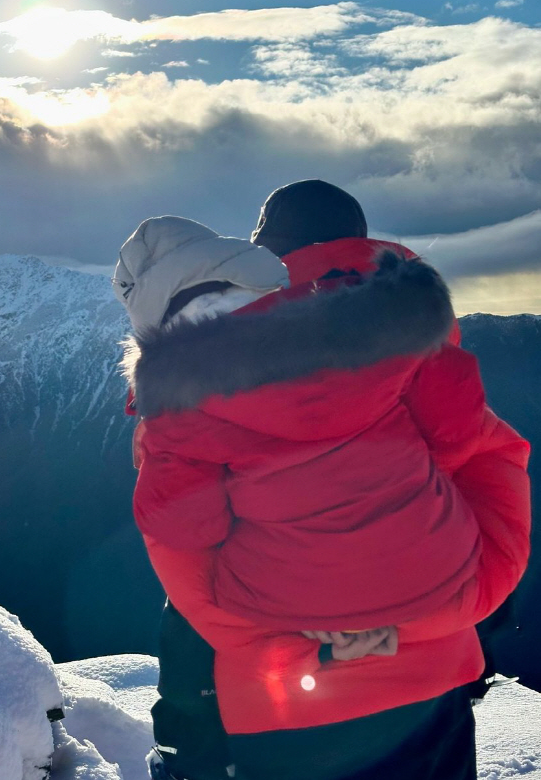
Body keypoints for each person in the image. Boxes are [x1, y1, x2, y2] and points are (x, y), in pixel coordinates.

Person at [113, 184, 530, 780]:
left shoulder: (197, 372)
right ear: (363, 245)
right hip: (433, 682)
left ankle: (185, 751)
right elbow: (490, 459)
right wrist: (471, 594)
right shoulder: (414, 333)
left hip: (282, 703)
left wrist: (268, 644)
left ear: (260, 255)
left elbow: (181, 538)